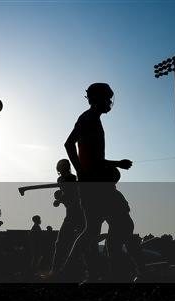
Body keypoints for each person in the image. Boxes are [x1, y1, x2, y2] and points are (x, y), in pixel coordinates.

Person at [63, 82, 137, 282]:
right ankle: (116, 272)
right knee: (120, 225)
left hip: (94, 183)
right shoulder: (89, 120)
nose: (110, 102)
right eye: (107, 98)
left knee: (94, 229)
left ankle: (77, 272)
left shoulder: (90, 119)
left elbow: (86, 154)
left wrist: (109, 166)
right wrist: (83, 171)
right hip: (96, 185)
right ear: (97, 99)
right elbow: (71, 146)